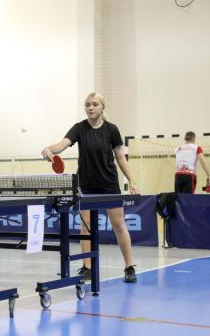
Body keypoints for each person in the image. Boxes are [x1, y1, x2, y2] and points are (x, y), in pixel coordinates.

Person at [41, 92, 138, 283]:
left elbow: (120, 157)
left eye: (95, 104)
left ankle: (129, 266)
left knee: (119, 225)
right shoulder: (79, 128)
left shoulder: (111, 129)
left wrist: (132, 180)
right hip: (85, 185)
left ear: (102, 107)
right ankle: (87, 267)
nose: (91, 108)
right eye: (87, 105)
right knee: (86, 227)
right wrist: (48, 149)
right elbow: (62, 145)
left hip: (109, 184)